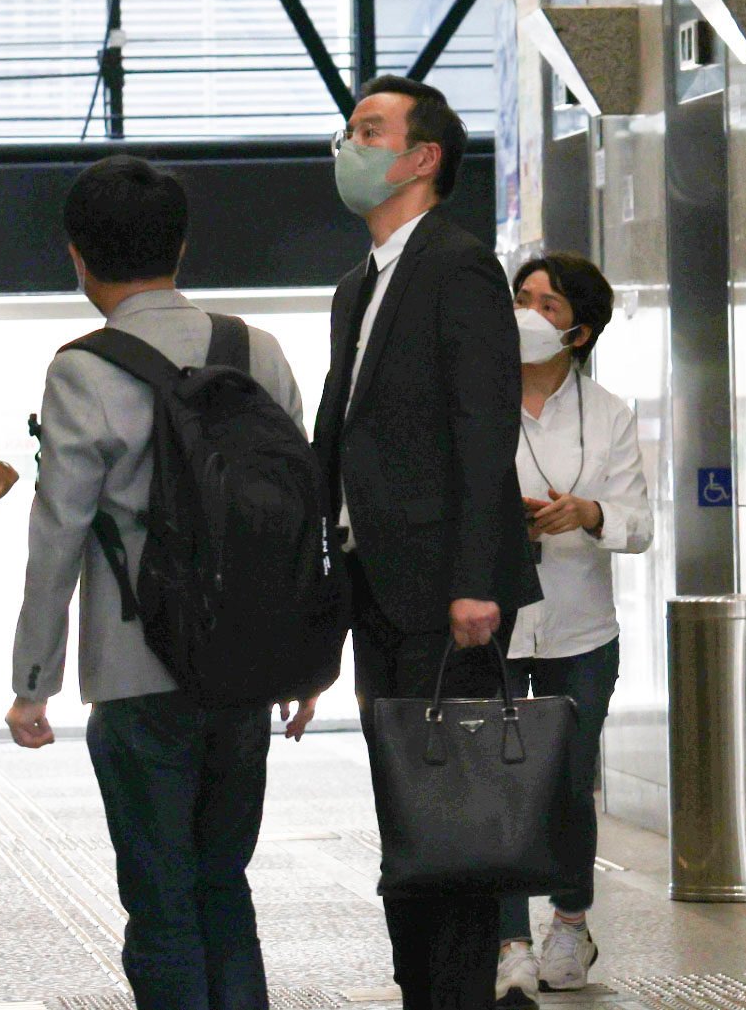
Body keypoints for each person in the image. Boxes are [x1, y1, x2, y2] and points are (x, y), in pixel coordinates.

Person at [5, 155, 315, 1010]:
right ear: (181, 243)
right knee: (225, 884)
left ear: (77, 254)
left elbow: (58, 531)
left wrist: (34, 683)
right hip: (248, 667)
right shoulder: (257, 349)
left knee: (161, 900)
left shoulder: (83, 370)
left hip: (139, 670)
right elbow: (304, 509)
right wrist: (305, 662)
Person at [313, 75, 542, 1010]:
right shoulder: (359, 284)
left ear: (422, 157)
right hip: (380, 589)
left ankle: (455, 994)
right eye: (347, 129)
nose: (348, 146)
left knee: (451, 825)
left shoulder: (455, 263)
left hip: (447, 602)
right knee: (408, 821)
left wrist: (475, 580)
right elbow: (344, 439)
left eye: (369, 131)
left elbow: (482, 428)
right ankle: (426, 992)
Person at [494, 253, 652, 1008]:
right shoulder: (478, 401)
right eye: (521, 297)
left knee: (564, 785)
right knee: (498, 779)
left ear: (579, 329)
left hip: (580, 628)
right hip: (494, 619)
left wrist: (585, 514)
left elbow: (638, 523)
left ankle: (570, 922)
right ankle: (509, 940)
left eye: (547, 304)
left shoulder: (611, 413)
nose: (528, 312)